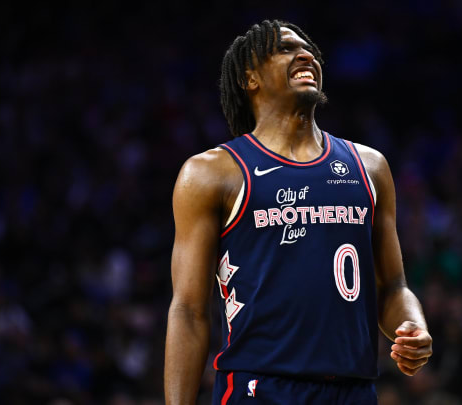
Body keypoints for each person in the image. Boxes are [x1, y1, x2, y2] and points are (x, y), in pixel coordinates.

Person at [164, 19, 433, 405]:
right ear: (250, 78)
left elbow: (392, 288)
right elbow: (189, 310)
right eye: (284, 49)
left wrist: (413, 328)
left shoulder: (370, 166)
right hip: (262, 388)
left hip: (354, 390)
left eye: (308, 50)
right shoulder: (211, 173)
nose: (305, 54)